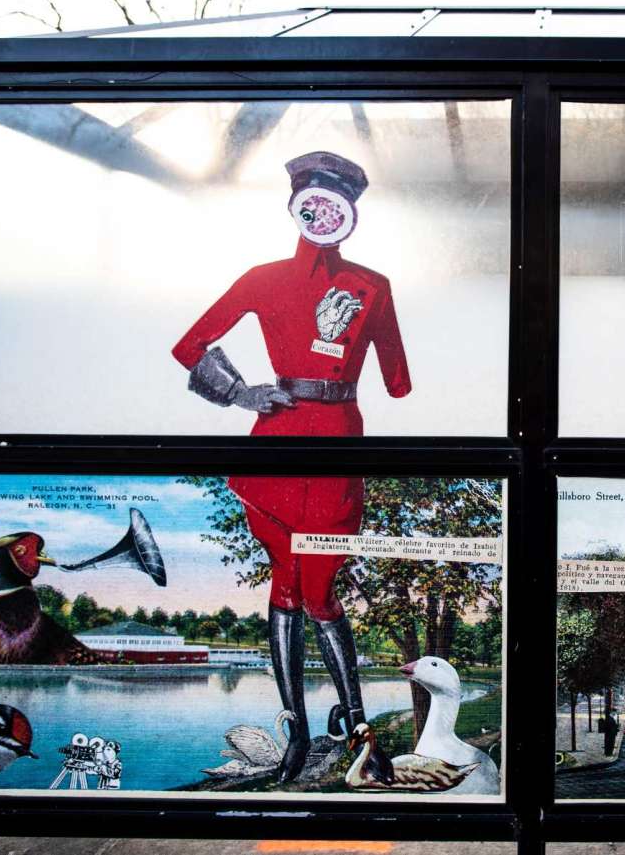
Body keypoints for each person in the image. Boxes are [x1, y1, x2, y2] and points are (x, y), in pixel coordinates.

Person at [172, 151, 411, 782]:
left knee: (318, 589)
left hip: (337, 445)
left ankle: (357, 731)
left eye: (337, 202)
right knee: (285, 584)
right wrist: (239, 392)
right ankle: (297, 735)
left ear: (350, 214)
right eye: (314, 200)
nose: (324, 211)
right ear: (297, 206)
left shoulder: (372, 285)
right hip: (275, 444)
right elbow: (188, 344)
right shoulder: (262, 277)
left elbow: (398, 379)